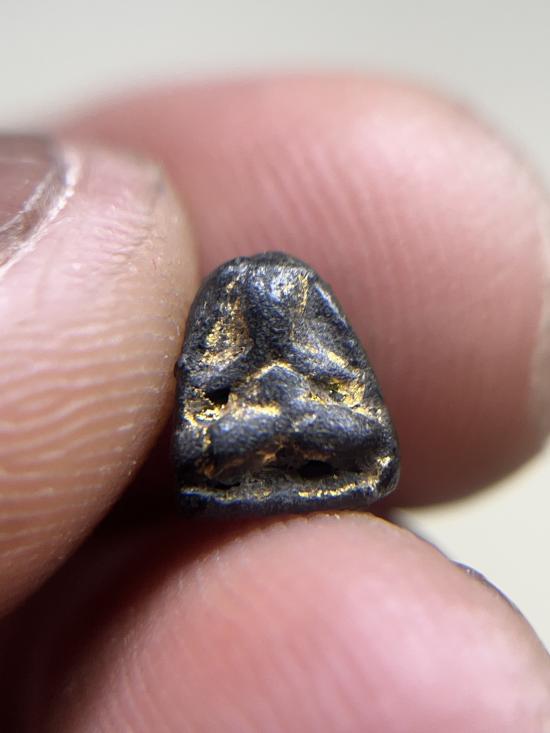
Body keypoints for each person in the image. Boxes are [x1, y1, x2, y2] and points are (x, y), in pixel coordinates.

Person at [0, 75, 548, 731]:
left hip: (306, 429)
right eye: (257, 310)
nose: (269, 314)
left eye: (280, 308)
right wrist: (263, 420)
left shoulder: (303, 324)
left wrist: (296, 416)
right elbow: (205, 436)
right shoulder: (229, 320)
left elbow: (357, 429)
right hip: (252, 435)